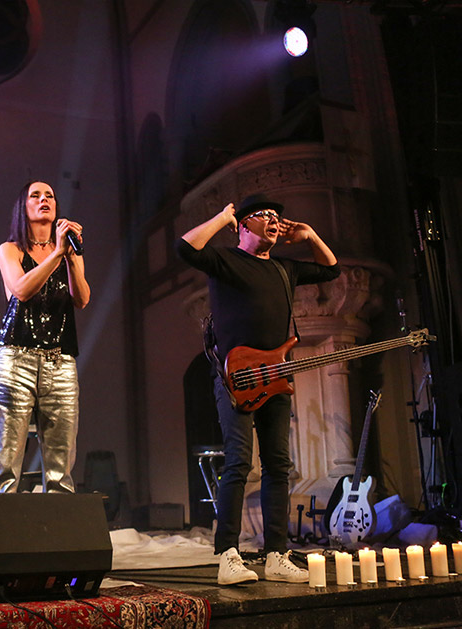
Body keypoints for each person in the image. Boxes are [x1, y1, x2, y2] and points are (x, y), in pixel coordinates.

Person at [178, 193, 339, 586]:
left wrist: (311, 235)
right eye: (262, 215)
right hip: (235, 376)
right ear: (244, 225)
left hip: (276, 377)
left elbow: (331, 270)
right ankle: (228, 554)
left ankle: (276, 554)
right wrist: (222, 217)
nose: (273, 220)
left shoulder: (285, 268)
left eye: (276, 216)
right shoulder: (226, 261)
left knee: (277, 466)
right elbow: (185, 247)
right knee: (237, 463)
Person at [0, 181, 90, 494]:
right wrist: (57, 252)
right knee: (5, 459)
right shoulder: (10, 250)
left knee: (61, 463)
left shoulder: (68, 252)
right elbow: (21, 290)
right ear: (24, 208)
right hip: (16, 359)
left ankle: (59, 537)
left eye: (50, 196)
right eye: (36, 195)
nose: (44, 199)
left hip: (60, 361)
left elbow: (82, 299)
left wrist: (69, 256)